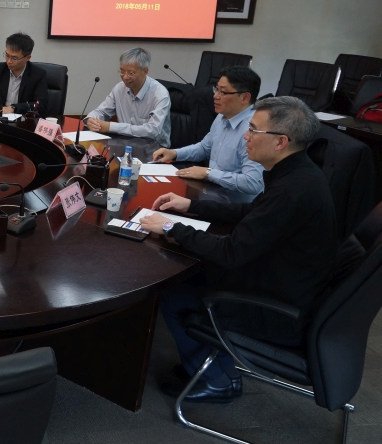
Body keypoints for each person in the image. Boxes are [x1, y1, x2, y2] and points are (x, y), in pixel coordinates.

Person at [139, 96, 337, 404]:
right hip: (284, 285)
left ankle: (217, 381)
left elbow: (231, 252)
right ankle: (212, 367)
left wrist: (170, 228)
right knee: (191, 274)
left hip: (275, 306)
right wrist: (191, 206)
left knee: (174, 294)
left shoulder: (291, 190)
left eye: (254, 130)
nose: (246, 136)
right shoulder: (298, 174)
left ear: (280, 142)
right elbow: (252, 213)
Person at [151, 66, 264, 202]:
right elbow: (205, 147)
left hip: (235, 206)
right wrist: (174, 153)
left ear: (245, 97)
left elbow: (252, 183)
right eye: (216, 89)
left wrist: (208, 173)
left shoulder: (255, 129)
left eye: (223, 92)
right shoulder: (222, 116)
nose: (215, 96)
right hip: (211, 194)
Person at [85, 47, 171, 147]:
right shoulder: (119, 88)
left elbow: (153, 130)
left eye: (131, 73)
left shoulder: (160, 94)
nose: (125, 77)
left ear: (145, 71)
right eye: (122, 71)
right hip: (125, 145)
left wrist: (111, 127)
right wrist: (91, 119)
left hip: (154, 149)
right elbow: (102, 111)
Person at [0, 32, 50, 117]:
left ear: (27, 58)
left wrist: (14, 108)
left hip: (23, 120)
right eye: (7, 55)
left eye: (14, 58)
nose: (9, 61)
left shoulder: (38, 74)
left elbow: (41, 104)